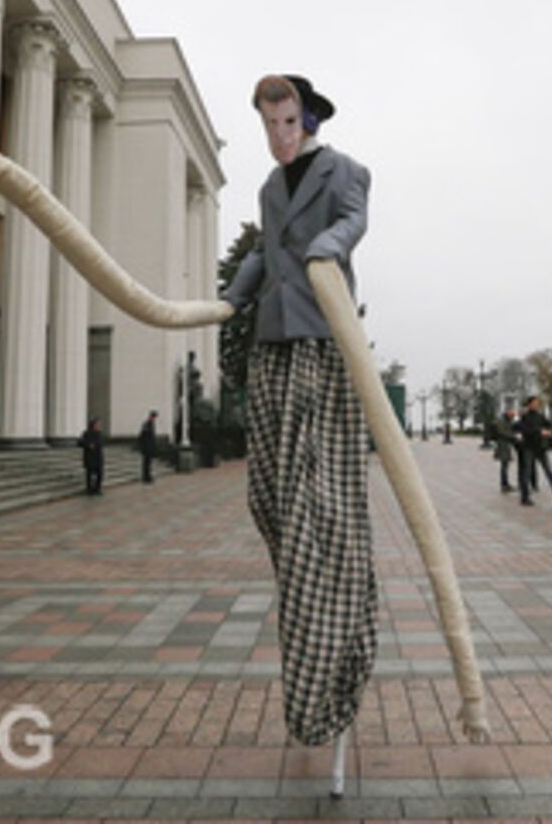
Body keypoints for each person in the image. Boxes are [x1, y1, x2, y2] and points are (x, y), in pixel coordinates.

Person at [219, 74, 376, 748]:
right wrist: (231, 297)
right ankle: (309, 625)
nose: (278, 136)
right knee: (271, 496)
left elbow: (353, 220)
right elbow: (263, 252)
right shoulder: (268, 187)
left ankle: (335, 644)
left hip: (322, 340)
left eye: (287, 122)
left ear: (307, 119)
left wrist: (328, 248)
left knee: (321, 502)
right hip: (273, 347)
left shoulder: (346, 170)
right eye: (268, 124)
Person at [518, 395, 552, 507]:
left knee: (549, 471)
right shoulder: (525, 417)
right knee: (526, 472)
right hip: (528, 447)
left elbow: (549, 425)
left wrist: (551, 431)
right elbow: (525, 430)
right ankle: (525, 497)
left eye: (538, 403)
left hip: (540, 447)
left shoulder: (540, 416)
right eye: (534, 403)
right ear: (529, 404)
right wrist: (539, 432)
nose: (537, 405)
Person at [77, 417, 105, 495]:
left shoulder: (99, 434)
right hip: (90, 458)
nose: (99, 426)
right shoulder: (87, 433)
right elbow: (80, 443)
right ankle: (89, 490)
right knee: (89, 475)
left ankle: (97, 489)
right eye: (98, 425)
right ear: (93, 425)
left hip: (98, 457)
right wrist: (88, 445)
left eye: (100, 425)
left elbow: (101, 444)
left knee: (99, 474)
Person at [493, 408, 517, 493]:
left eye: (513, 415)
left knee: (505, 465)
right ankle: (504, 485)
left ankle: (505, 484)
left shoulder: (508, 421)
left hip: (506, 445)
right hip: (502, 445)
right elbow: (502, 432)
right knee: (504, 465)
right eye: (512, 414)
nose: (513, 416)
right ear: (507, 413)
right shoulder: (502, 421)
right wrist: (513, 436)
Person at [137, 410, 158, 484]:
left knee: (148, 463)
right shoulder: (146, 424)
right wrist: (143, 446)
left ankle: (148, 476)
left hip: (149, 447)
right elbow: (142, 436)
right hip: (146, 447)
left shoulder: (151, 424)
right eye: (153, 417)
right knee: (146, 463)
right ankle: (145, 477)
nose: (154, 419)